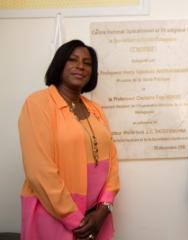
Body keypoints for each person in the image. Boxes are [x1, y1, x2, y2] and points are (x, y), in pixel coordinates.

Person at [18, 40, 120, 240]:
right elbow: (39, 171)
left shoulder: (95, 110)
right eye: (72, 60)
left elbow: (112, 160)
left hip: (96, 218)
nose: (80, 66)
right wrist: (75, 221)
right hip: (53, 217)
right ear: (59, 64)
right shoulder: (37, 104)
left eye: (87, 63)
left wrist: (104, 208)